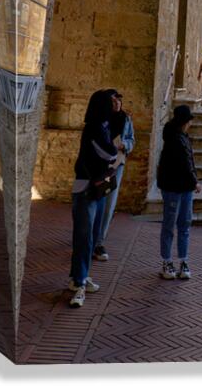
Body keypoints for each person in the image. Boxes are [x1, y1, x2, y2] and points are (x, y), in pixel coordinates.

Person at [68, 90, 119, 308]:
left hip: (96, 189)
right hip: (86, 188)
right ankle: (78, 282)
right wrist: (115, 152)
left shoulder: (104, 125)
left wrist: (117, 114)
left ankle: (79, 277)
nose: (115, 104)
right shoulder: (93, 128)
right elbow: (109, 153)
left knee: (91, 235)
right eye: (111, 102)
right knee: (84, 237)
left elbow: (113, 139)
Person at [156, 104, 201, 280]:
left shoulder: (182, 136)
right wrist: (195, 182)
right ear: (185, 121)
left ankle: (183, 260)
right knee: (171, 225)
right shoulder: (176, 138)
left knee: (183, 225)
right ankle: (167, 261)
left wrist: (193, 180)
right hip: (174, 187)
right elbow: (185, 164)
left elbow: (189, 162)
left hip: (183, 187)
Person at [93, 91, 135, 262]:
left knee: (109, 203)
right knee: (94, 200)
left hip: (115, 166)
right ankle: (88, 235)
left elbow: (132, 139)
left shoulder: (126, 119)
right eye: (114, 100)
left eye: (119, 99)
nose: (118, 102)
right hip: (100, 165)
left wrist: (125, 145)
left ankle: (99, 242)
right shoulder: (101, 120)